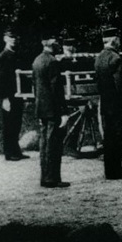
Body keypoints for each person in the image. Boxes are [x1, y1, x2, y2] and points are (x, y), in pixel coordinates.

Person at [94, 27, 122, 180]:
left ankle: (109, 171)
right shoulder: (116, 59)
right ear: (114, 40)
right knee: (119, 139)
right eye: (118, 39)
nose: (120, 42)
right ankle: (117, 171)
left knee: (108, 139)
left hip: (105, 106)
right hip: (118, 107)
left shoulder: (99, 58)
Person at [32, 32, 70, 188]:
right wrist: (63, 111)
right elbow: (56, 90)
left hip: (42, 108)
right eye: (55, 41)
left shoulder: (37, 61)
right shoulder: (52, 62)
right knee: (53, 144)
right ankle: (52, 178)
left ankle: (46, 177)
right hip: (53, 109)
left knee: (45, 144)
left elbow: (36, 87)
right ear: (48, 43)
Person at [0, 28, 29, 161]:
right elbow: (0, 79)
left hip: (18, 94)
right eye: (10, 37)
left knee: (16, 123)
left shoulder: (18, 55)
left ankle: (16, 150)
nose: (14, 40)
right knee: (9, 124)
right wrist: (4, 98)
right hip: (9, 95)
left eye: (15, 37)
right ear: (5, 39)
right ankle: (9, 152)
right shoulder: (3, 56)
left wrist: (25, 95)